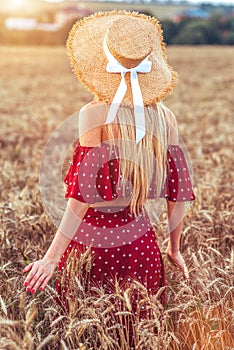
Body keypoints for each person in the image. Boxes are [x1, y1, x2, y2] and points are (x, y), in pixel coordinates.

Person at [23, 9, 195, 338]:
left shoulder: (94, 114)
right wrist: (174, 248)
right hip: (142, 246)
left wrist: (49, 259)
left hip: (93, 248)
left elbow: (81, 199)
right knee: (137, 335)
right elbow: (178, 195)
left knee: (87, 336)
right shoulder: (166, 118)